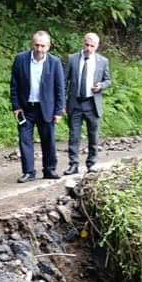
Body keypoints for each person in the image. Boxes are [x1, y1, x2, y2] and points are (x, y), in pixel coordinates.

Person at [9, 30, 66, 182]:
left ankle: (49, 169)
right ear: (32, 44)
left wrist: (59, 111)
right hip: (26, 108)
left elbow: (60, 88)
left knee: (48, 139)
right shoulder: (20, 59)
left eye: (43, 46)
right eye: (37, 45)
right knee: (25, 139)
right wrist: (16, 106)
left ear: (48, 46)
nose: (39, 49)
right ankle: (28, 172)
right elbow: (14, 85)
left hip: (46, 108)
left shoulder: (54, 62)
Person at [64, 33, 112, 175]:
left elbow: (108, 80)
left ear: (97, 46)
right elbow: (63, 80)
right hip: (75, 102)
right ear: (83, 43)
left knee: (93, 135)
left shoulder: (102, 61)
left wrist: (101, 85)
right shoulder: (72, 59)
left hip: (92, 103)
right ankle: (73, 164)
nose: (89, 48)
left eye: (92, 46)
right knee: (74, 135)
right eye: (87, 45)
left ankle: (91, 163)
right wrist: (63, 102)